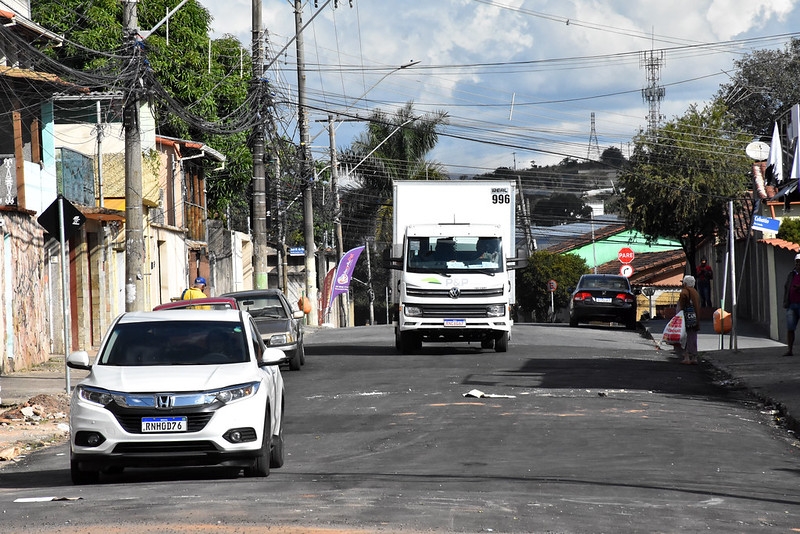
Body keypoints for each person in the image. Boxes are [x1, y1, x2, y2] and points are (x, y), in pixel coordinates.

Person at [677, 274, 701, 365]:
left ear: (685, 283)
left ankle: (686, 357)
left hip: (686, 319)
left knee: (685, 337)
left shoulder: (684, 292)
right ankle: (694, 357)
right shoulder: (695, 292)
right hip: (695, 318)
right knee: (693, 337)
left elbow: (681, 306)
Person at [782, 254, 800, 356]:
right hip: (791, 305)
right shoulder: (791, 274)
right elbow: (786, 287)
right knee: (790, 328)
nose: (798, 264)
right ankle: (790, 350)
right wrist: (786, 301)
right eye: (797, 262)